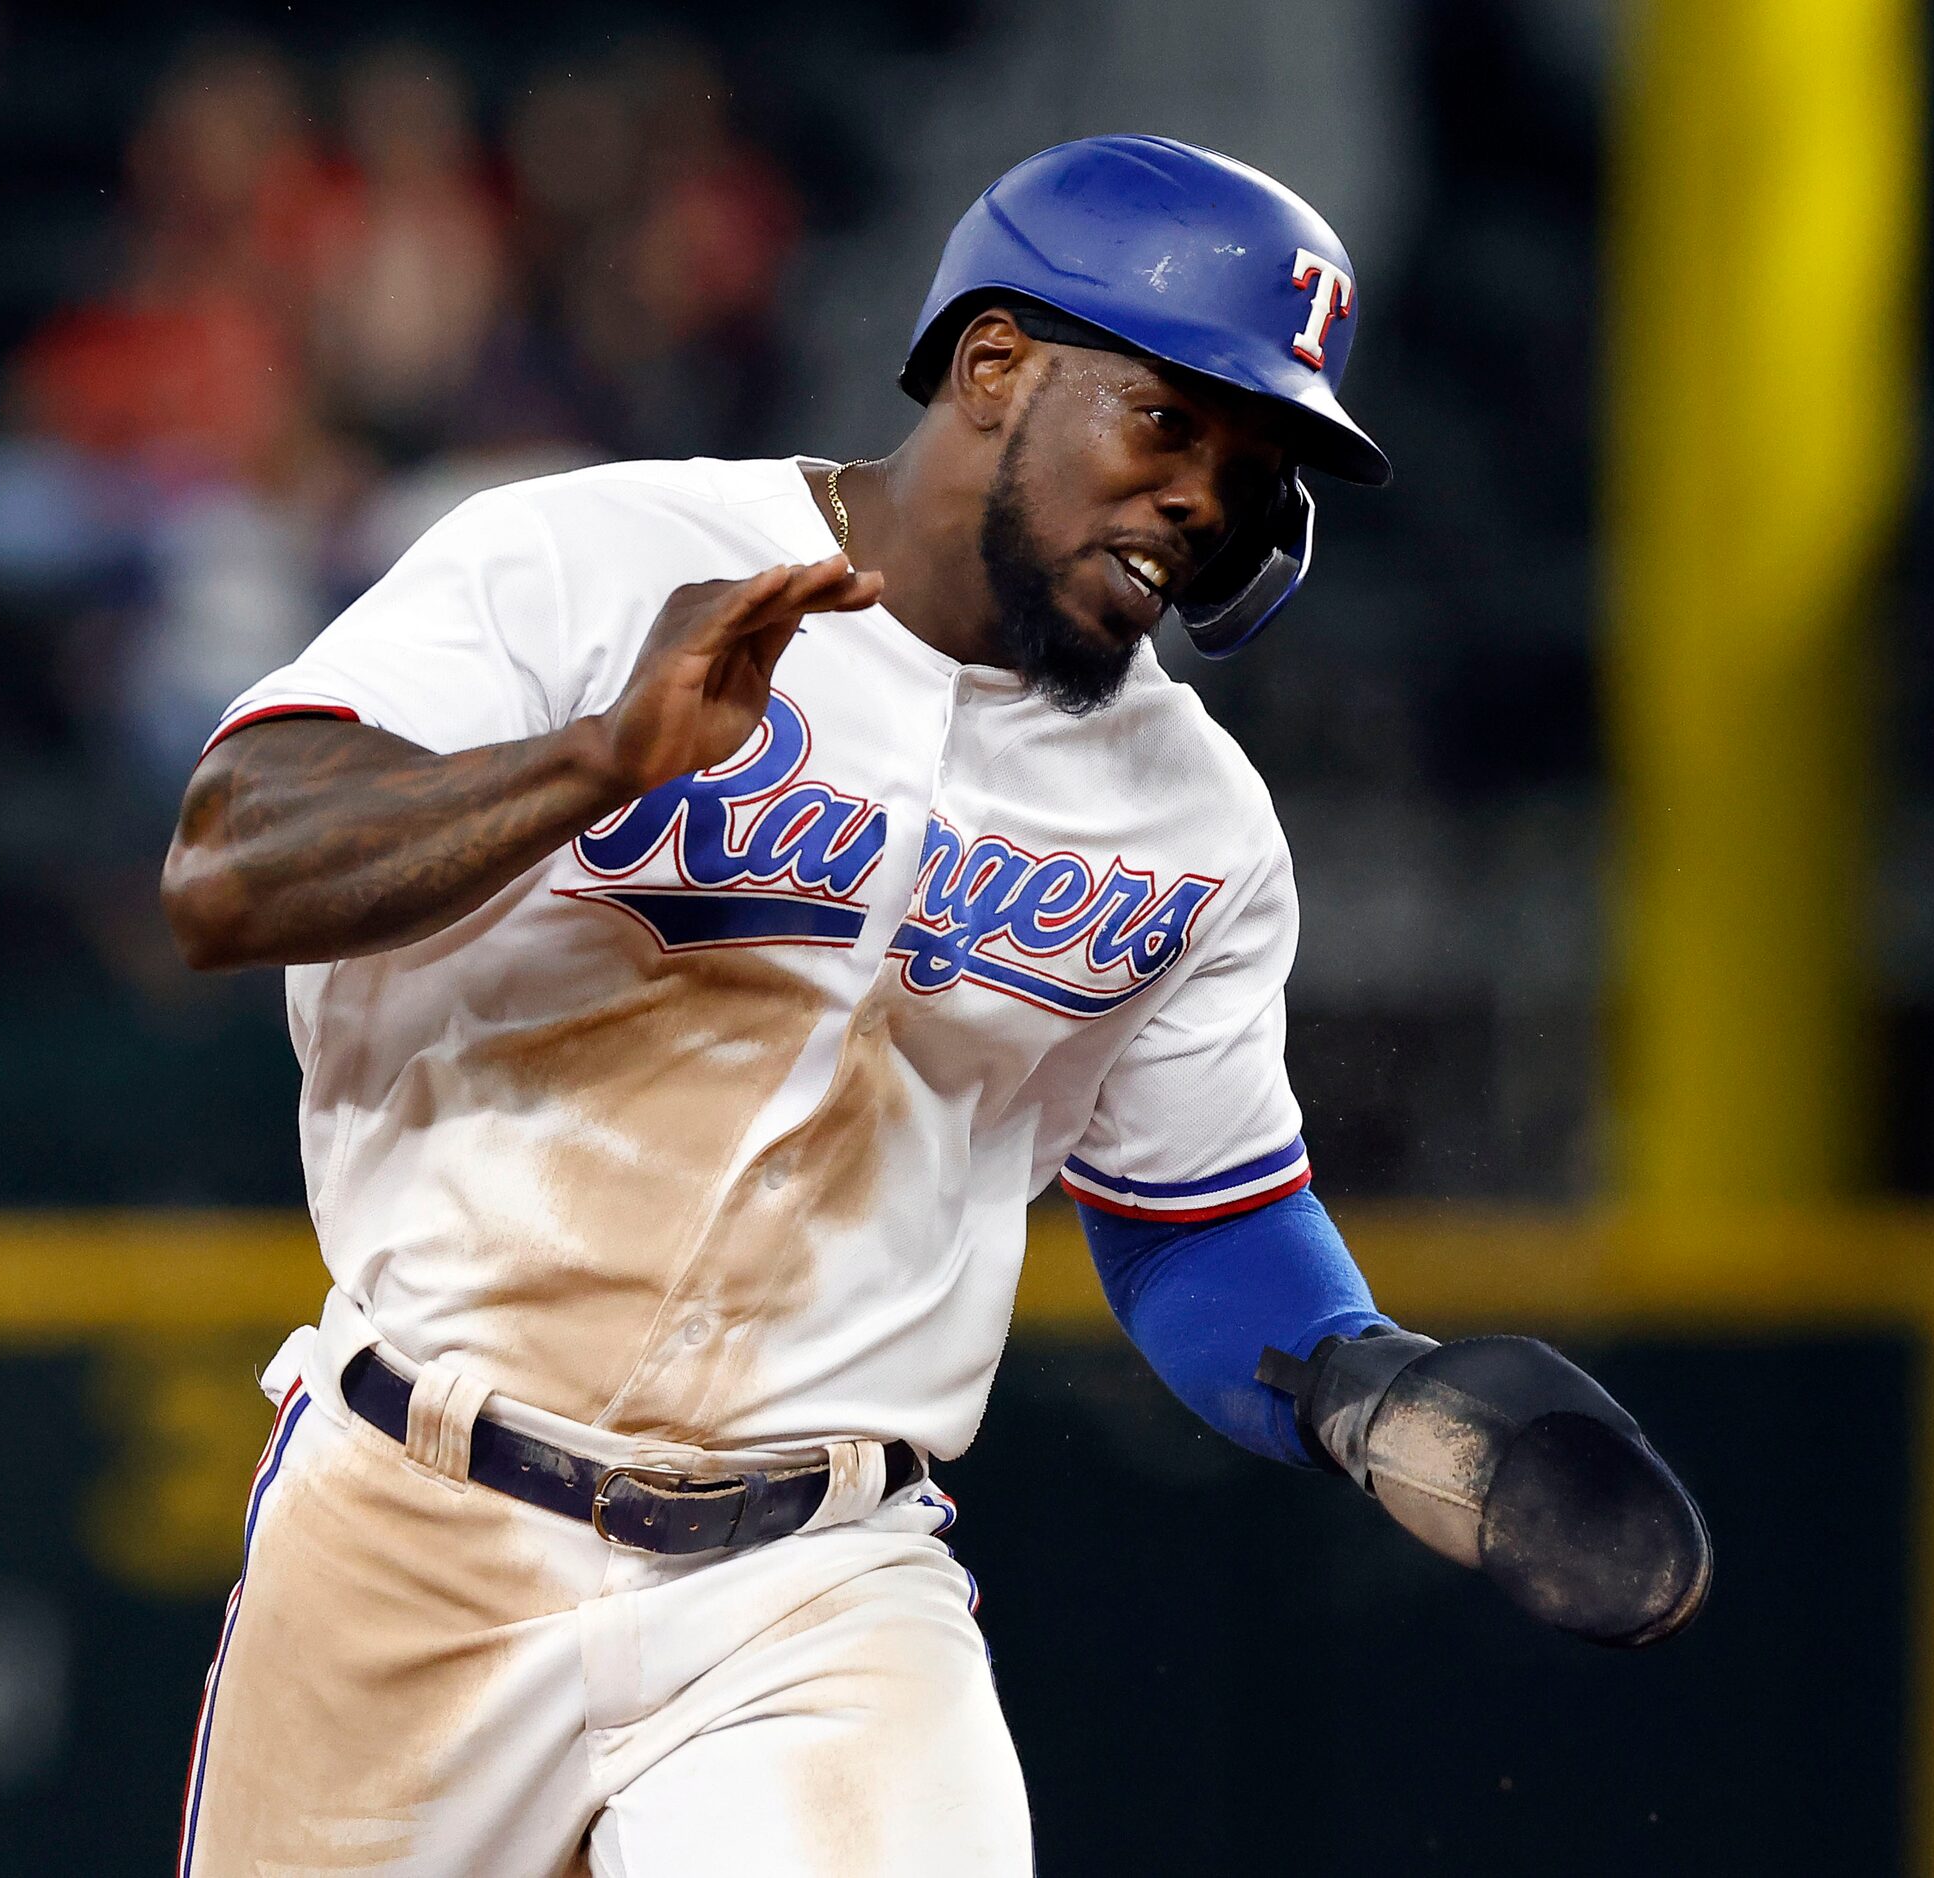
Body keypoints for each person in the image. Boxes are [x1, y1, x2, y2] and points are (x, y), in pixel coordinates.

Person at [159, 135, 1710, 1878]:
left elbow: (1200, 1218)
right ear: (995, 367)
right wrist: (592, 760)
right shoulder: (595, 555)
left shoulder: (1192, 821)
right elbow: (229, 869)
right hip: (410, 1516)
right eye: (1169, 420)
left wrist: (1352, 1379)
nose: (1206, 496)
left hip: (807, 1582)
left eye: (1257, 465)